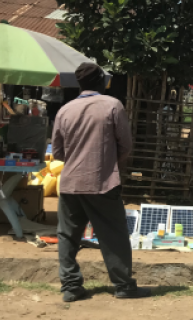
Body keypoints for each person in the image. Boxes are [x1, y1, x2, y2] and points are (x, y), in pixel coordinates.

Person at [52, 63, 150, 302]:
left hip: (70, 183)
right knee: (113, 235)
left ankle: (71, 287)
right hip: (103, 182)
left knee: (67, 236)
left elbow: (57, 152)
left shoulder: (65, 110)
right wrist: (109, 163)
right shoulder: (112, 106)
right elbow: (125, 145)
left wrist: (77, 160)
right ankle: (123, 286)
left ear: (80, 84)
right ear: (102, 82)